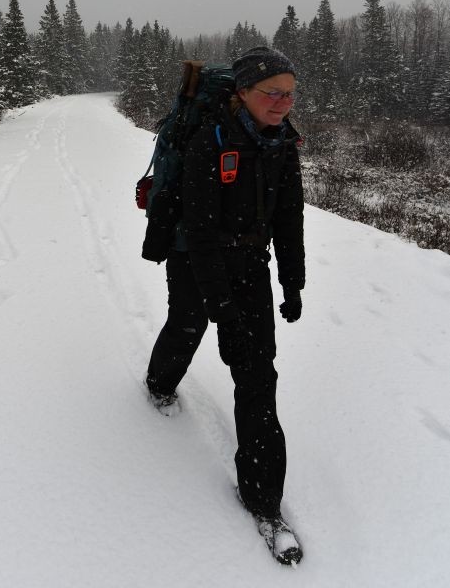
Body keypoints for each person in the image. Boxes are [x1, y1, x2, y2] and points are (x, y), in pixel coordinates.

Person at [145, 46, 305, 561]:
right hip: (196, 260)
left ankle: (263, 500)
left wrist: (292, 280)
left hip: (250, 264)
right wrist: (224, 310)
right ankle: (159, 383)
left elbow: (289, 217)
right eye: (272, 93)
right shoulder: (208, 142)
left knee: (258, 375)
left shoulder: (283, 142)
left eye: (290, 93)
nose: (283, 103)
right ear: (242, 93)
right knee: (188, 326)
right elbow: (200, 230)